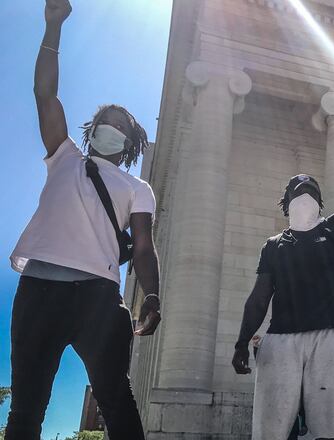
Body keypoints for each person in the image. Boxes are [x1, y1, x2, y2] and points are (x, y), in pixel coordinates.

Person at [6, 1, 161, 438]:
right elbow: (44, 93)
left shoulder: (137, 189)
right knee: (26, 411)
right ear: (91, 131)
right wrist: (52, 29)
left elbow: (144, 247)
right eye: (105, 122)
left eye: (121, 126)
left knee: (118, 404)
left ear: (130, 142)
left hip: (99, 297)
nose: (112, 128)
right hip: (38, 290)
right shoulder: (64, 157)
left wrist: (152, 295)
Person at [231, 111, 334, 439]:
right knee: (269, 431)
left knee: (331, 430)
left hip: (331, 337)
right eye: (297, 191)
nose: (304, 193)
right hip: (281, 341)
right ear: (285, 204)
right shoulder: (273, 246)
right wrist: (242, 342)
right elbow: (259, 298)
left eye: (311, 190)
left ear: (320, 203)